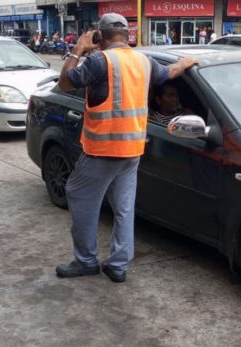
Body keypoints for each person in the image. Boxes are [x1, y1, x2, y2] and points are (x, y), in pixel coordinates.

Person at [55, 13, 197, 283]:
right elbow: (170, 72)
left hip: (103, 150)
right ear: (127, 36)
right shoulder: (144, 60)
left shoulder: (99, 60)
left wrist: (78, 49)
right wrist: (187, 62)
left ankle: (86, 260)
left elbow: (63, 83)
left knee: (78, 194)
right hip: (132, 150)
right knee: (123, 207)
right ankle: (118, 265)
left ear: (101, 36)